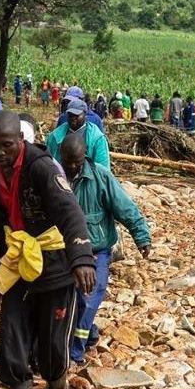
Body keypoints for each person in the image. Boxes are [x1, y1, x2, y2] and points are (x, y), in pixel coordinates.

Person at [0, 111, 95, 389]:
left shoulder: (42, 168)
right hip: (19, 261)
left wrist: (82, 258)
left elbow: (69, 210)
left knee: (52, 337)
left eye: (7, 145)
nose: (0, 153)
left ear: (21, 141)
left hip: (54, 264)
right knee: (12, 331)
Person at [58, 133, 150, 367]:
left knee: (89, 298)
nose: (71, 166)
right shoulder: (54, 177)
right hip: (64, 251)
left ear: (84, 157)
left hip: (96, 251)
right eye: (67, 161)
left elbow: (125, 207)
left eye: (76, 162)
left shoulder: (100, 176)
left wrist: (141, 236)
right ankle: (89, 333)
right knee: (68, 301)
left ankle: (75, 352)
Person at [47, 98, 113, 169]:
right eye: (70, 115)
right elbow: (48, 161)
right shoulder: (55, 136)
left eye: (77, 115)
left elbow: (103, 167)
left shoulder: (97, 138)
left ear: (85, 115)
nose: (73, 118)